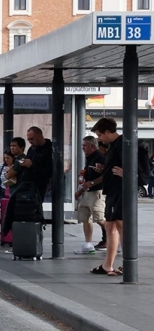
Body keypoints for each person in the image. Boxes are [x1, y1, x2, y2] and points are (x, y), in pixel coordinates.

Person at [90, 118, 122, 276]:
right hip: (111, 190)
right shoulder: (114, 146)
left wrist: (127, 173)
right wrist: (105, 168)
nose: (99, 138)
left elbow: (135, 165)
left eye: (99, 135)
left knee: (121, 226)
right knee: (110, 226)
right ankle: (107, 264)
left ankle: (128, 263)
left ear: (107, 132)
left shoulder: (123, 144)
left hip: (119, 191)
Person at [74, 136, 106, 254]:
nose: (82, 148)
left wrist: (92, 183)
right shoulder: (89, 158)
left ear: (92, 146)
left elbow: (105, 176)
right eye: (82, 146)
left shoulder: (99, 157)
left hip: (96, 191)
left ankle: (115, 236)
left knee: (99, 218)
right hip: (87, 192)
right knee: (85, 217)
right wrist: (81, 191)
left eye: (85, 146)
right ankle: (88, 244)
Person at [21, 127, 53, 203]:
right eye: (28, 139)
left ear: (39, 137)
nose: (30, 142)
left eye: (32, 139)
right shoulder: (32, 149)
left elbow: (49, 171)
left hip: (39, 186)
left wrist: (32, 165)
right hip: (28, 185)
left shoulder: (49, 149)